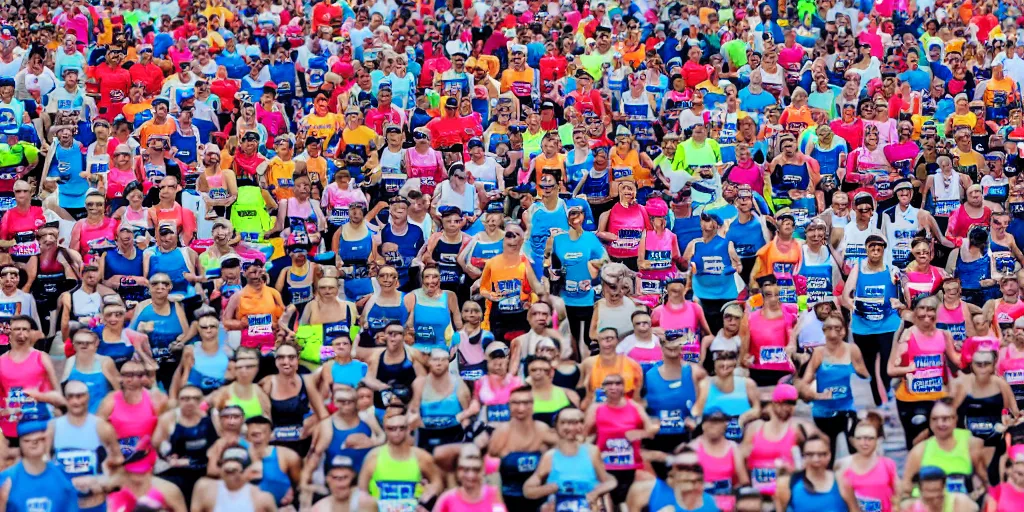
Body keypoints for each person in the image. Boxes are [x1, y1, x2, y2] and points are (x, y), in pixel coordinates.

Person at [888, 297, 962, 446]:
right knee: (915, 443)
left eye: (931, 315)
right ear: (915, 315)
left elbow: (957, 360)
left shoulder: (944, 335)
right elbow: (891, 369)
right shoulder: (908, 335)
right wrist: (908, 369)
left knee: (938, 440)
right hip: (911, 399)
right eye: (922, 316)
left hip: (937, 397)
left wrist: (971, 350)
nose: (926, 320)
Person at [798, 312, 869, 460]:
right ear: (823, 331)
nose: (833, 333)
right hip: (823, 411)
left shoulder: (852, 350)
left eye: (837, 328)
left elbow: (865, 377)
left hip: (847, 409)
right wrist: (815, 395)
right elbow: (804, 383)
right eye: (829, 328)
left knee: (853, 453)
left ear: (843, 330)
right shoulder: (818, 353)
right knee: (826, 456)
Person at [843, 234, 903, 407]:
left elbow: (902, 295)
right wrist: (854, 307)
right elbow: (845, 296)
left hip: (887, 325)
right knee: (868, 367)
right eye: (872, 248)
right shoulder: (857, 268)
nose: (876, 252)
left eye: (879, 248)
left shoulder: (892, 270)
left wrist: (899, 303)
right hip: (863, 326)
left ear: (884, 250)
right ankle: (877, 399)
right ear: (866, 249)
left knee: (886, 365)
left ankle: (886, 397)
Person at [47, 379, 123, 512]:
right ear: (65, 399)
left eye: (80, 396)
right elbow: (42, 462)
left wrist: (101, 481)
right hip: (64, 505)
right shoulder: (53, 427)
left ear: (88, 396)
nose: (76, 401)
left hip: (95, 504)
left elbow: (118, 463)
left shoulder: (102, 427)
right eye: (71, 396)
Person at [522, 407, 618, 511]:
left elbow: (609, 481)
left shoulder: (592, 452)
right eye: (564, 422)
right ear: (556, 427)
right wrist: (549, 489)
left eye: (576, 422)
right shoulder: (550, 457)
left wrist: (596, 492)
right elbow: (528, 490)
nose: (571, 427)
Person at [901, 399, 989, 500]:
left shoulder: (971, 443)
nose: (940, 424)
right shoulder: (919, 451)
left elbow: (985, 479)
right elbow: (906, 488)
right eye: (935, 419)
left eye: (945, 419)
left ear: (955, 419)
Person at [488, 384, 556, 511]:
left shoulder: (542, 430)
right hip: (509, 498)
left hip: (539, 499)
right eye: (516, 403)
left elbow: (565, 451)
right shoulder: (501, 432)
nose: (521, 408)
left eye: (526, 403)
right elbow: (491, 471)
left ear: (532, 404)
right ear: (509, 405)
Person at [357, 413, 443, 512]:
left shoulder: (422, 457)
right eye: (391, 428)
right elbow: (361, 491)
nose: (397, 432)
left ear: (408, 429)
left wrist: (430, 493)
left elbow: (437, 482)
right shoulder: (373, 457)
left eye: (401, 428)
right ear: (385, 429)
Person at [0, 421, 82, 512]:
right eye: (27, 440)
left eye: (40, 439)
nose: (34, 444)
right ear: (20, 443)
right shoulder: (6, 480)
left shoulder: (63, 477)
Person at [835, 413, 901, 512]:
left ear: (877, 440)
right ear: (853, 441)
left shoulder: (888, 465)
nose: (864, 443)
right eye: (859, 438)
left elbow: (899, 494)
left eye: (869, 438)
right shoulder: (843, 465)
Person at [774, 435, 857, 511]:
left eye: (821, 454)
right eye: (810, 454)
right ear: (803, 456)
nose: (816, 459)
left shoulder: (842, 482)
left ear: (829, 455)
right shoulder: (787, 484)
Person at [189, 445, 278, 512]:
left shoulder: (263, 498)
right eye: (228, 471)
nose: (232, 476)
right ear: (220, 469)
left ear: (248, 470)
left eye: (235, 471)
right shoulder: (205, 490)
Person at [901, 466, 979, 512]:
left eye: (936, 490)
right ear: (920, 489)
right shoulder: (911, 507)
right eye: (929, 490)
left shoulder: (961, 502)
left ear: (943, 487)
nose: (933, 495)